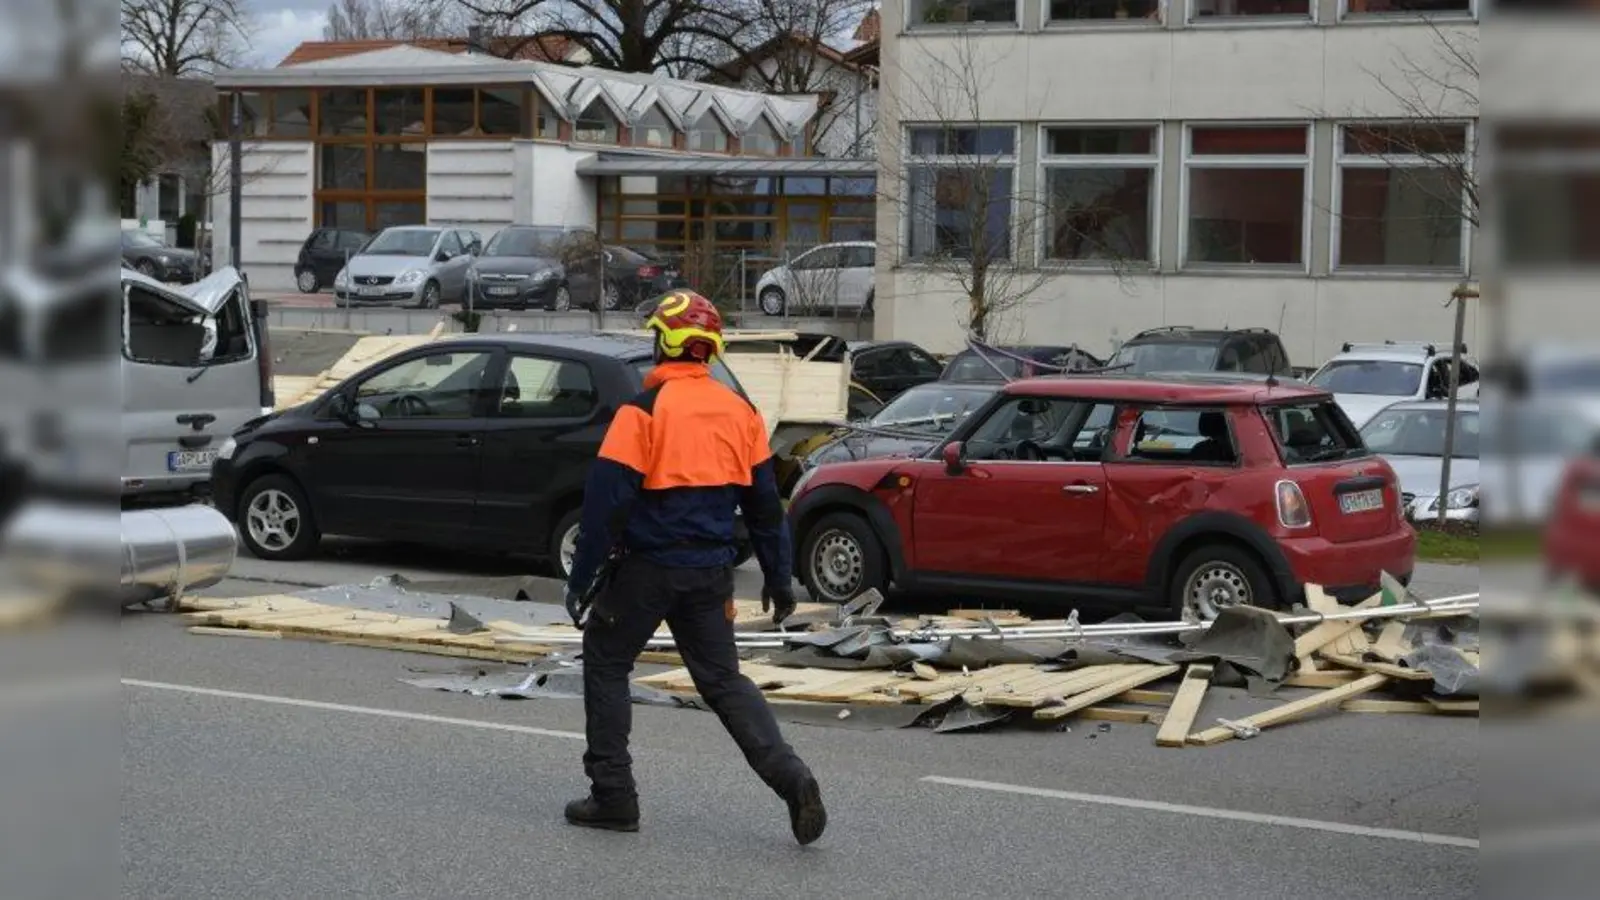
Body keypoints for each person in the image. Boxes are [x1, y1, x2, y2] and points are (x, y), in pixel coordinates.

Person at [562, 290, 827, 846]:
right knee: (724, 681)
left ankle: (614, 796)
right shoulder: (742, 412)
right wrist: (779, 578)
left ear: (665, 343)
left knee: (606, 664)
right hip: (710, 574)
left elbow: (605, 503)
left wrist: (582, 577)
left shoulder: (643, 411)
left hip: (645, 570)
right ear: (710, 350)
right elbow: (763, 508)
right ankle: (791, 777)